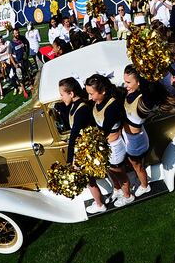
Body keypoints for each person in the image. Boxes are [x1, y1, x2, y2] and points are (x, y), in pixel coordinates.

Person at [85, 74, 132, 212]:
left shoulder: (112, 107)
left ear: (103, 91)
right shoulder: (97, 102)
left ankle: (128, 196)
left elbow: (104, 130)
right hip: (105, 146)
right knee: (110, 170)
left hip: (115, 146)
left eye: (91, 94)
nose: (90, 98)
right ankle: (117, 189)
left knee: (119, 173)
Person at [122, 65, 160, 199]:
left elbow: (147, 88)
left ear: (139, 82)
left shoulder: (144, 100)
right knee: (134, 162)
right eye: (124, 81)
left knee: (137, 165)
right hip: (130, 136)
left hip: (136, 139)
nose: (125, 85)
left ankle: (145, 185)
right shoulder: (129, 93)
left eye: (128, 82)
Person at [56, 77, 93, 167]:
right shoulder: (73, 105)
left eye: (62, 95)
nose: (61, 98)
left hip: (88, 149)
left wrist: (69, 161)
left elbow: (73, 136)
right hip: (82, 148)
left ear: (71, 94)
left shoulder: (81, 110)